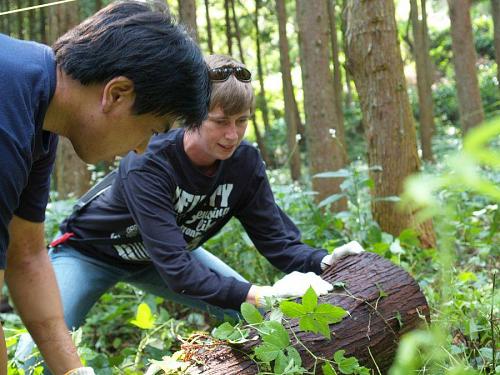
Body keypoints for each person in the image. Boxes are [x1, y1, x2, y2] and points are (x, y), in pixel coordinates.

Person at [43, 54, 363, 343]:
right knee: (36, 351)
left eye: (242, 121)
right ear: (193, 116)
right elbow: (179, 271)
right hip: (91, 251)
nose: (232, 135)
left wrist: (322, 260)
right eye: (220, 121)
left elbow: (278, 242)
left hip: (166, 256)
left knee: (260, 317)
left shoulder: (244, 164)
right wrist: (261, 293)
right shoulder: (150, 163)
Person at [0, 0, 210, 373]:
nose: (143, 147)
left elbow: (28, 255)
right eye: (153, 129)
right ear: (117, 94)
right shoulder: (7, 117)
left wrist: (73, 370)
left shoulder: (39, 115)